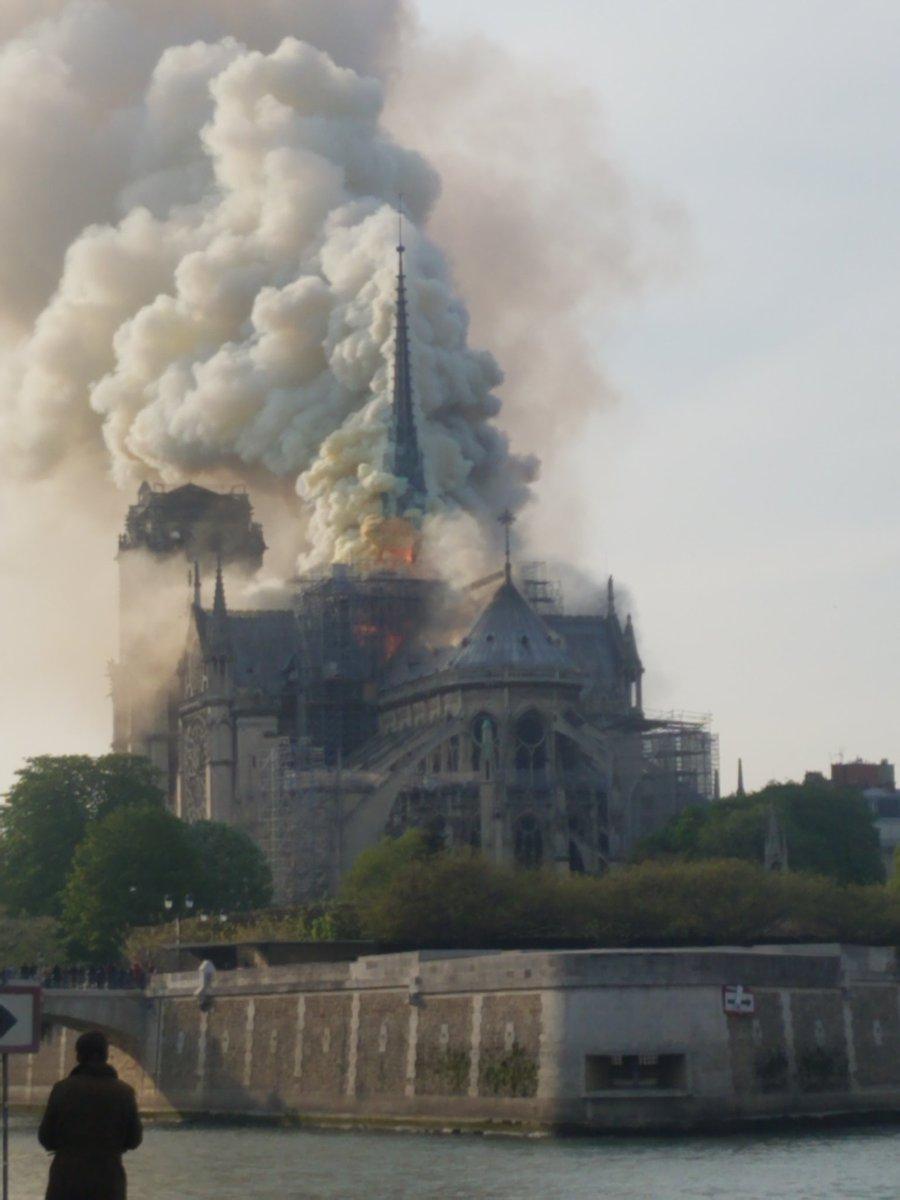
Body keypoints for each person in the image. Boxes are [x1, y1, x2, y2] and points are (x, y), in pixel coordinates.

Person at [38, 1029, 143, 1200]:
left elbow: (45, 1137)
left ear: (78, 1057)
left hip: (66, 1181)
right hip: (108, 1182)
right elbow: (134, 1139)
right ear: (106, 1056)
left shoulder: (62, 1090)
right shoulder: (124, 1092)